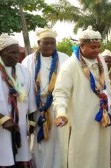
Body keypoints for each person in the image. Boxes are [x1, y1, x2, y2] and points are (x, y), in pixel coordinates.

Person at [52, 26, 111, 168]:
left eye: (98, 47)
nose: (97, 50)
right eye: (93, 47)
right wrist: (61, 112)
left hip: (101, 117)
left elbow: (106, 85)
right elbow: (60, 92)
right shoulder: (70, 65)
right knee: (81, 155)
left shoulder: (101, 60)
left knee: (100, 153)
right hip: (81, 121)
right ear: (81, 46)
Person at [21, 28, 69, 168]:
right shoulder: (28, 61)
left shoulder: (64, 58)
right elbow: (25, 86)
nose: (49, 46)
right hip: (36, 107)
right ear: (38, 43)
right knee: (39, 142)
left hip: (57, 106)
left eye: (52, 43)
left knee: (58, 140)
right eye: (46, 43)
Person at [0, 34, 37, 167]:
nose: (16, 56)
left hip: (20, 123)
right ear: (2, 53)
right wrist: (3, 119)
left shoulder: (24, 71)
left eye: (18, 52)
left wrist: (31, 121)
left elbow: (30, 98)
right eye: (12, 53)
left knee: (19, 156)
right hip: (2, 126)